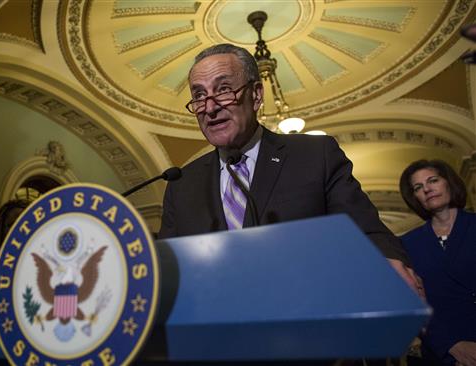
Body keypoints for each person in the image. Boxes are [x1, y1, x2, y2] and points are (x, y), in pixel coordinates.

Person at [158, 43, 418, 290]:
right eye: (199, 95)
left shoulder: (316, 155)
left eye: (224, 89)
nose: (210, 107)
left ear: (257, 95)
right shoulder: (181, 184)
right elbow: (169, 270)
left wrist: (387, 260)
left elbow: (365, 229)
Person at [399, 159, 476, 366]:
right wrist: (451, 346)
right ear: (415, 197)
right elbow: (413, 305)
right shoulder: (406, 244)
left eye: (433, 180)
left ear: (448, 182)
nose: (427, 189)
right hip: (441, 351)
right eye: (418, 187)